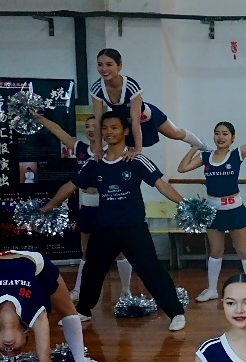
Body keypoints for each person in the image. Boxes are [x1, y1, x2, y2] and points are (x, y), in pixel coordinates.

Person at [41, 112, 190, 331]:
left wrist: (186, 204)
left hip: (133, 227)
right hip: (104, 227)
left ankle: (176, 312)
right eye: (105, 128)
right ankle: (83, 310)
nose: (109, 132)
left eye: (114, 127)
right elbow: (71, 186)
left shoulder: (136, 160)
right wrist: (49, 206)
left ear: (125, 131)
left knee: (151, 270)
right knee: (92, 269)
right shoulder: (95, 162)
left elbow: (161, 185)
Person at [177, 120, 246, 302]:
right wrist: (195, 147)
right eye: (217, 133)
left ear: (232, 137)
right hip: (212, 210)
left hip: (234, 209)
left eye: (225, 134)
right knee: (216, 251)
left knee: (243, 250)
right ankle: (212, 290)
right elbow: (182, 168)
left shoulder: (237, 154)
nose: (220, 137)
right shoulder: (205, 157)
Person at [34, 112, 134, 299]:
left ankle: (126, 291)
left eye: (94, 126)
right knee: (86, 250)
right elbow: (57, 130)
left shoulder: (113, 149)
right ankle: (79, 290)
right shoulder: (80, 148)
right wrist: (39, 118)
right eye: (87, 126)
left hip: (108, 204)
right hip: (87, 204)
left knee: (119, 250)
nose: (90, 130)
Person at [89, 48, 209, 158]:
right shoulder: (97, 89)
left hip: (146, 116)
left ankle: (202, 146)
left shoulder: (130, 86)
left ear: (119, 66)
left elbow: (135, 121)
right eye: (100, 65)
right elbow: (98, 122)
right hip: (126, 121)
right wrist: (98, 149)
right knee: (125, 148)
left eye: (109, 65)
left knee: (175, 133)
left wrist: (138, 150)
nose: (104, 69)